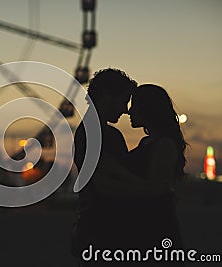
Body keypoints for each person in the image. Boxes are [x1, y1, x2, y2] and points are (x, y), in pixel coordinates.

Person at [71, 68, 137, 264]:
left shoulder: (87, 132)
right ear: (107, 95)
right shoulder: (105, 135)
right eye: (123, 100)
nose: (125, 110)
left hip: (92, 228)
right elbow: (107, 185)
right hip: (105, 230)